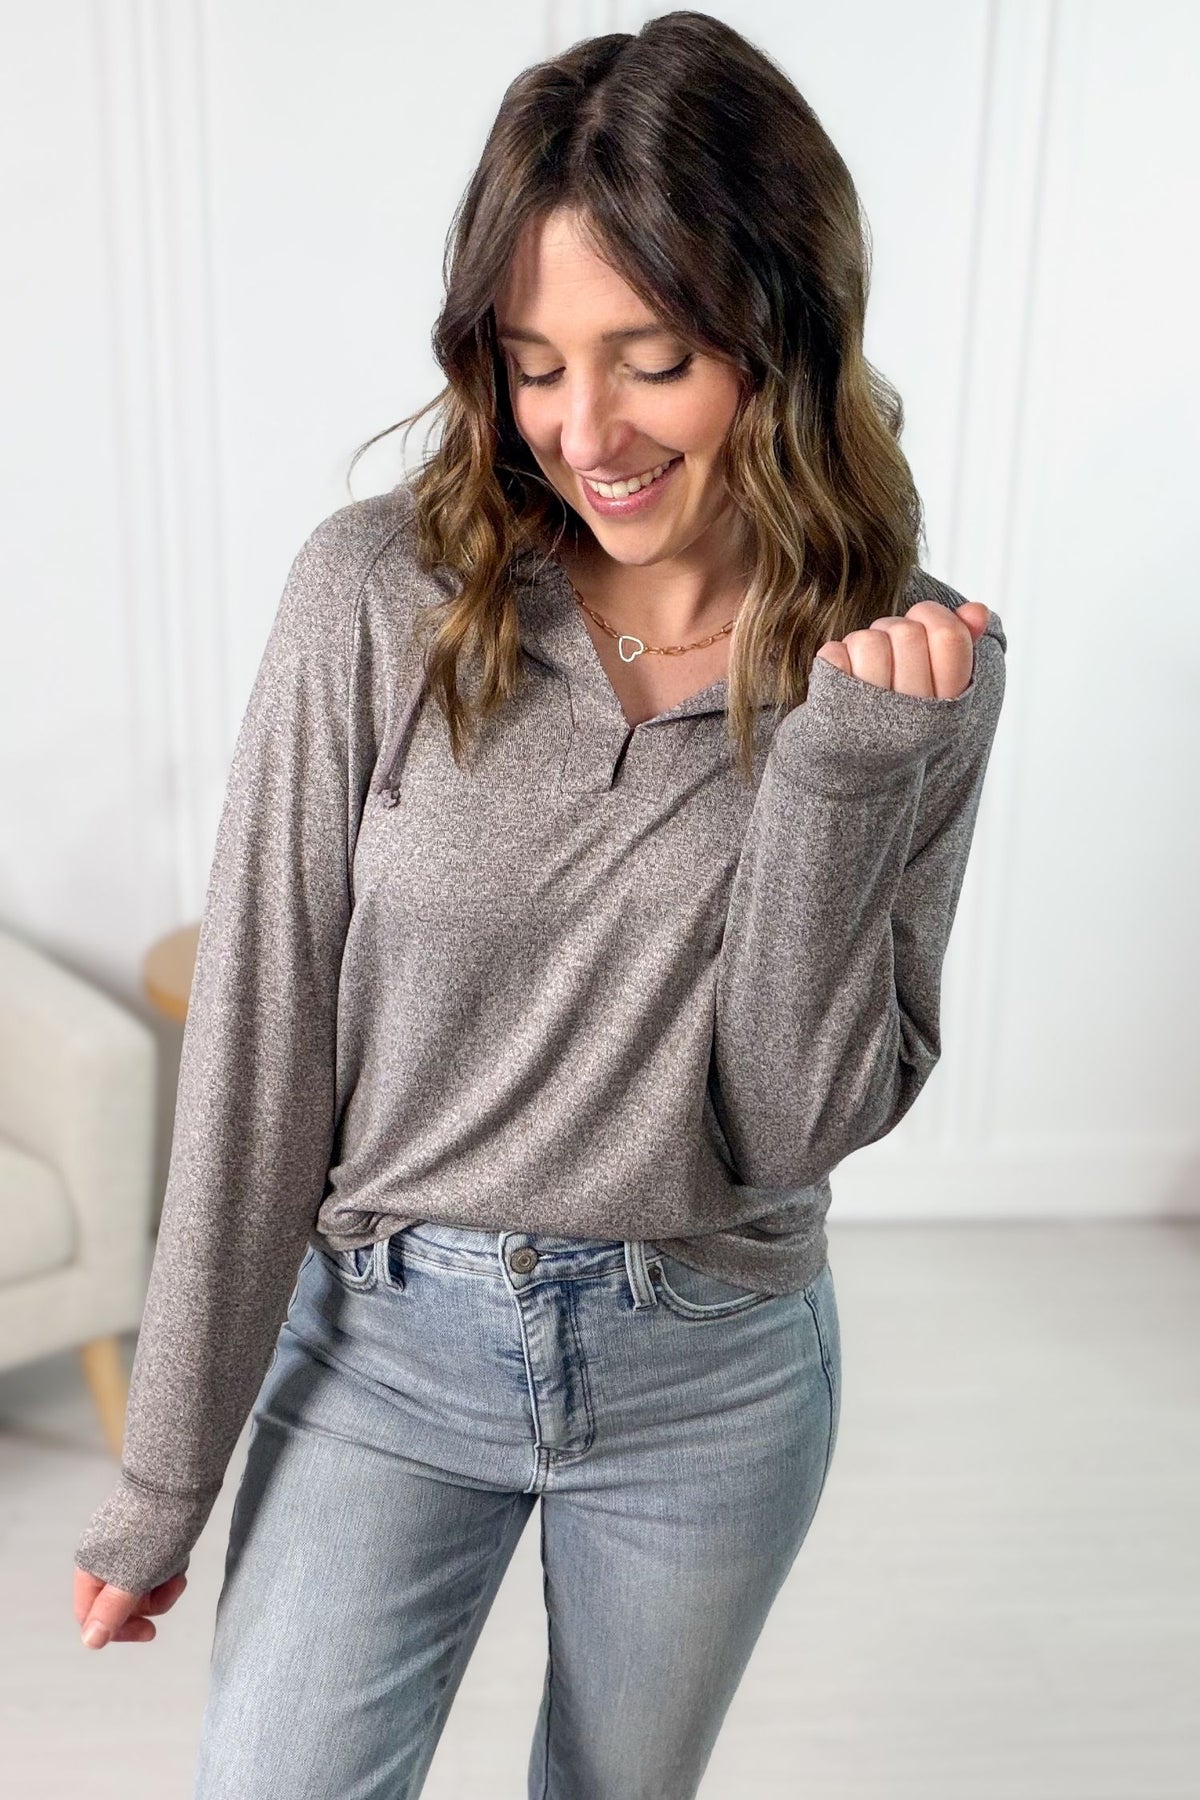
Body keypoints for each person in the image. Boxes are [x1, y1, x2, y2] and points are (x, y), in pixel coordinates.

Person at [72, 12, 1006, 1797]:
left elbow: (797, 1121)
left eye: (651, 358)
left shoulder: (915, 669)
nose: (587, 430)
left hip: (711, 1371)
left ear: (781, 341)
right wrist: (165, 1473)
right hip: (385, 1354)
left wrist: (838, 769)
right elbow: (258, 1051)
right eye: (532, 362)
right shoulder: (373, 595)